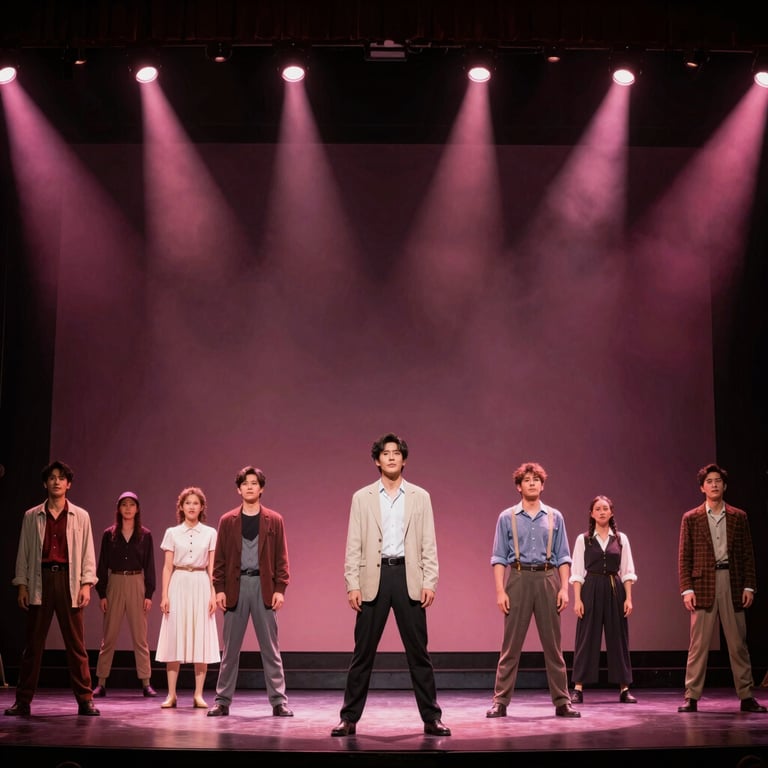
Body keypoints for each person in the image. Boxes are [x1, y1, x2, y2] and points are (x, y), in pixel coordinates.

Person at [331, 433, 451, 737]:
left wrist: (430, 581)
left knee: (418, 653)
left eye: (397, 453)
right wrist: (352, 583)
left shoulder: (420, 496)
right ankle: (349, 718)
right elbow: (353, 543)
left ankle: (431, 718)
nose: (392, 457)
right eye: (385, 453)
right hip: (374, 577)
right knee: (363, 654)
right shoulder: (362, 497)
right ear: (377, 460)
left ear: (404, 459)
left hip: (408, 577)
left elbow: (429, 542)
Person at [5, 460, 100, 716]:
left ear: (68, 484)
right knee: (33, 645)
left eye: (61, 478)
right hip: (41, 580)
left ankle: (85, 699)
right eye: (52, 478)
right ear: (45, 484)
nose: (56, 481)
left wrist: (86, 584)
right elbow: (23, 552)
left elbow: (87, 552)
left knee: (76, 645)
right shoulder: (32, 515)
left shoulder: (80, 515)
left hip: (69, 581)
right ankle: (23, 700)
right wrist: (22, 584)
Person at [486, 461, 580, 718]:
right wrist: (500, 591)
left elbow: (563, 556)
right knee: (511, 645)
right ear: (519, 486)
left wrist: (564, 589)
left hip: (547, 577)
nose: (531, 483)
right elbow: (498, 557)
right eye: (526, 480)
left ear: (542, 485)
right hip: (518, 578)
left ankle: (562, 701)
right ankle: (500, 701)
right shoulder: (507, 517)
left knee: (553, 645)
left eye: (536, 480)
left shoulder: (554, 516)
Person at [677, 463, 766, 714]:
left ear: (724, 486)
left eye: (718, 481)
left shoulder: (739, 516)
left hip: (732, 581)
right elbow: (685, 556)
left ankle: (746, 695)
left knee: (738, 642)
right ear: (702, 488)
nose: (714, 484)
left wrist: (749, 585)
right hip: (703, 583)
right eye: (710, 481)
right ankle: (691, 696)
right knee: (698, 645)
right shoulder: (691, 517)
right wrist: (687, 588)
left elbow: (748, 554)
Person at [207, 466, 293, 718]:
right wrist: (219, 589)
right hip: (236, 587)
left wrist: (280, 589)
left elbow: (281, 559)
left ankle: (279, 701)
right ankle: (222, 700)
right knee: (230, 649)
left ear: (261, 488)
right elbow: (220, 559)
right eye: (245, 483)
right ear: (239, 489)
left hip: (263, 588)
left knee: (270, 648)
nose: (250, 487)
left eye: (254, 483)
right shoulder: (227, 520)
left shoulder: (274, 520)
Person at [155, 486, 220, 709]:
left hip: (201, 583)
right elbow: (166, 567)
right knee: (175, 637)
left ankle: (198, 694)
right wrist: (164, 595)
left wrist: (213, 593)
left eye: (196, 503)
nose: (191, 506)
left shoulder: (210, 532)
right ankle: (171, 694)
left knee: (199, 638)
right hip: (179, 582)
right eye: (188, 503)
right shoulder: (172, 532)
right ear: (181, 507)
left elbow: (213, 568)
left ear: (202, 507)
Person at [569, 495, 638, 704]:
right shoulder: (584, 539)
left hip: (614, 588)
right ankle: (578, 687)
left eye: (605, 508)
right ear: (591, 513)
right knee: (586, 637)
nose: (601, 512)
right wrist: (577, 600)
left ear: (611, 512)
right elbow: (577, 572)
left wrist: (629, 599)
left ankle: (624, 687)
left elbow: (627, 570)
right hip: (591, 587)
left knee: (618, 637)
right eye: (597, 509)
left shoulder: (621, 538)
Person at [93, 491, 158, 698]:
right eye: (124, 505)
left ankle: (146, 682)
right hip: (115, 582)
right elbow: (102, 564)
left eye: (132, 505)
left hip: (137, 582)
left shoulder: (145, 535)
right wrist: (102, 593)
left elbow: (150, 565)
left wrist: (148, 593)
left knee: (140, 637)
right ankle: (101, 681)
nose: (128, 508)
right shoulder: (109, 534)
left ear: (137, 508)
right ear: (119, 509)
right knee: (109, 635)